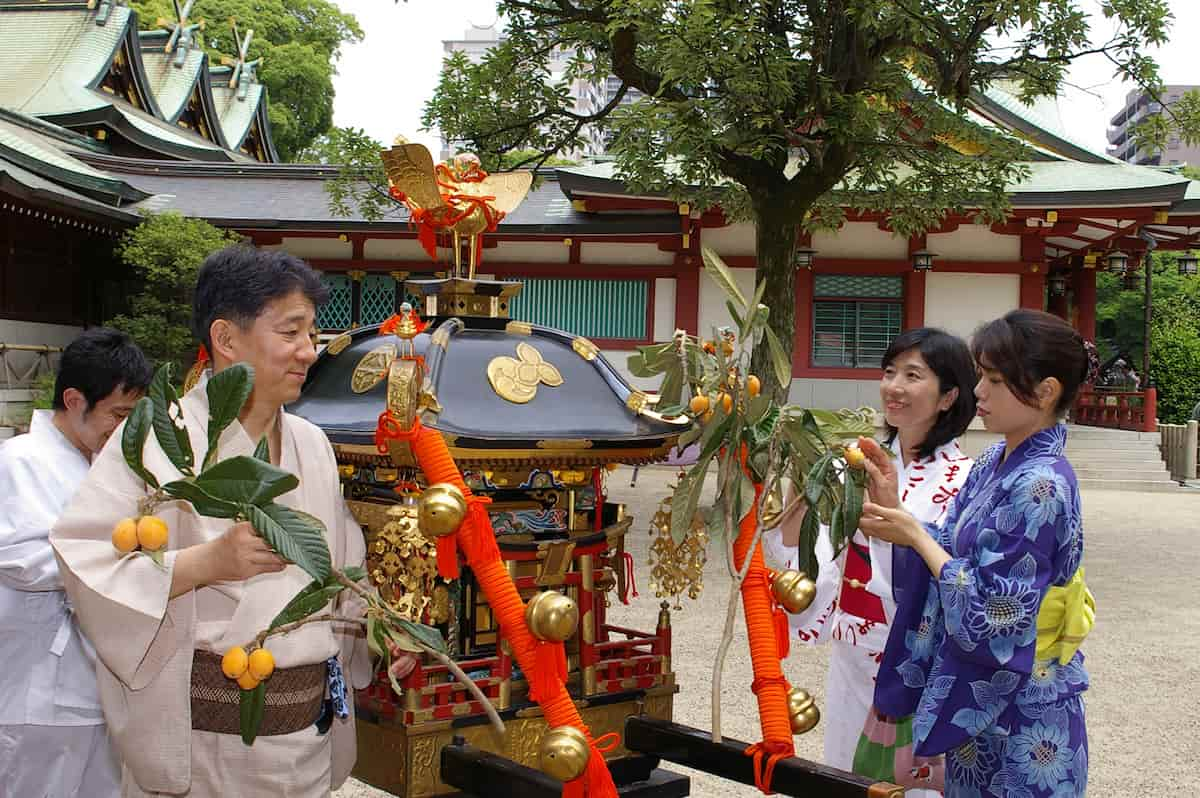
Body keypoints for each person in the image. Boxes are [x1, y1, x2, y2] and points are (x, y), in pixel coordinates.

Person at [50, 247, 370, 797]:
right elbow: (84, 563)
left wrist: (379, 630)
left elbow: (342, 569)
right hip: (209, 746)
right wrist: (205, 563)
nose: (308, 352)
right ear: (226, 339)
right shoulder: (163, 440)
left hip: (307, 743)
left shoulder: (312, 444)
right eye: (291, 332)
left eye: (312, 334)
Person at [858, 309, 1095, 798]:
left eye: (994, 380)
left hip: (1029, 705)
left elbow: (997, 615)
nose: (979, 393)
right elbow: (951, 548)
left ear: (1046, 391)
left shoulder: (1041, 484)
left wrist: (917, 539)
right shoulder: (995, 462)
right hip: (986, 703)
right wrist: (901, 517)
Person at [763, 328, 977, 793]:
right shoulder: (848, 466)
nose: (894, 387)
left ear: (948, 397)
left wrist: (897, 525)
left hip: (918, 661)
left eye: (913, 375)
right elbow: (816, 563)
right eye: (889, 372)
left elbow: (952, 578)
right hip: (853, 655)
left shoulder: (965, 482)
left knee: (912, 779)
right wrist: (792, 516)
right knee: (846, 772)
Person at [0, 328, 152, 798]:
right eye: (117, 414)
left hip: (95, 685)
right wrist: (121, 555)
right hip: (38, 688)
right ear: (73, 399)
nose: (123, 429)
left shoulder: (99, 465)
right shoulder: (20, 461)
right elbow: (21, 558)